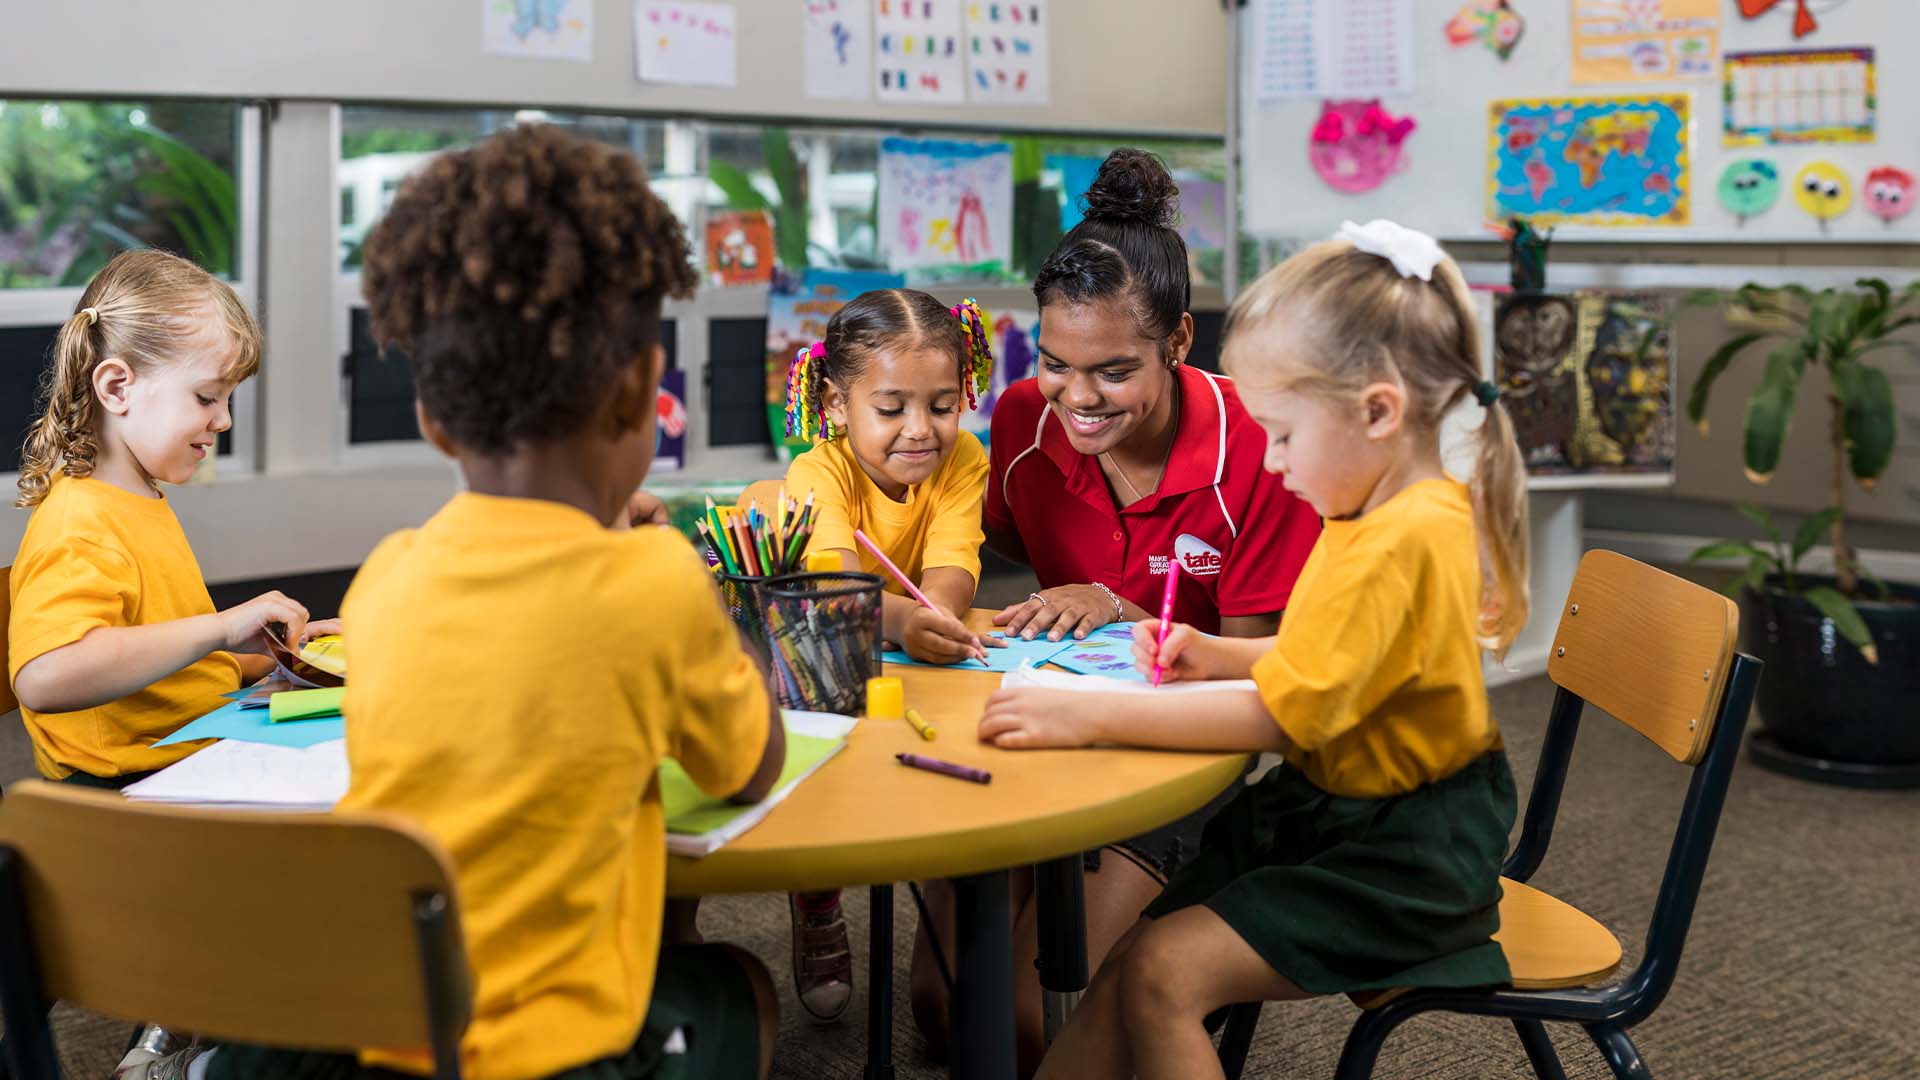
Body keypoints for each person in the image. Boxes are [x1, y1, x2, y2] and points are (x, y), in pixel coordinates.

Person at [133, 124, 786, 1080]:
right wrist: (715, 610)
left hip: (374, 1023)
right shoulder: (657, 581)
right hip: (555, 1058)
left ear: (433, 419)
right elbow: (752, 771)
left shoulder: (389, 578)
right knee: (742, 992)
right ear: (644, 391)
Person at [982, 219, 1530, 1080]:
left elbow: (1280, 714)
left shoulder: (1407, 541)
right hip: (1335, 805)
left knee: (1161, 974)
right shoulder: (1376, 514)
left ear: (1378, 413)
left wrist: (1085, 712)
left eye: (1282, 433)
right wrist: (1210, 652)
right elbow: (1326, 663)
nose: (1268, 463)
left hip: (1406, 851)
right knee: (1132, 961)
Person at [909, 150, 1322, 1076]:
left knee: (1016, 1021)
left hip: (1177, 747)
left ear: (1180, 342)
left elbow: (1260, 665)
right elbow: (986, 546)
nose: (1079, 399)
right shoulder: (1022, 420)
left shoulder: (1256, 450)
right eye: (1057, 363)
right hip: (1043, 717)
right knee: (942, 1013)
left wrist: (1121, 607)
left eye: (1113, 371)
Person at [9, 250, 332, 791]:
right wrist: (222, 627)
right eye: (207, 396)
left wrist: (277, 658)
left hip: (189, 748)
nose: (224, 419)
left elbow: (160, 655)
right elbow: (45, 677)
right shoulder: (79, 521)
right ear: (116, 388)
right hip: (127, 790)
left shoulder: (137, 498)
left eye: (227, 399)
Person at [776, 287, 999, 1021]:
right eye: (892, 407)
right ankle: (816, 902)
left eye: (940, 405)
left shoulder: (965, 456)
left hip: (903, 652)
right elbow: (834, 587)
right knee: (828, 792)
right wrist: (911, 620)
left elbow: (956, 565)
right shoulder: (817, 473)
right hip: (815, 655)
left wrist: (931, 611)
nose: (921, 431)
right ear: (838, 406)